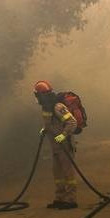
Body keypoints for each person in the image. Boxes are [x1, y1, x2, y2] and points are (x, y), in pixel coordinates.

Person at [33, 80, 78, 209]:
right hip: (56, 147)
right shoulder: (46, 107)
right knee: (57, 174)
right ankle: (60, 198)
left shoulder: (58, 107)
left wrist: (63, 135)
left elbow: (72, 122)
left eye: (37, 95)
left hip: (65, 146)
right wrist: (44, 130)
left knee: (68, 174)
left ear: (41, 95)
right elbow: (49, 123)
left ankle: (71, 200)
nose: (37, 98)